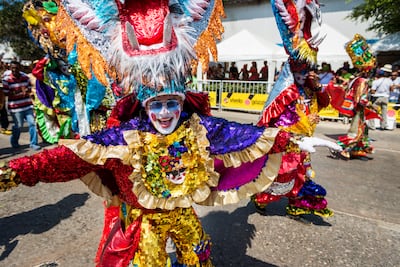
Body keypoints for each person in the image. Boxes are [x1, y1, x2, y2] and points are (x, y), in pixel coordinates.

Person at [0, 0, 342, 266]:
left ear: (182, 102)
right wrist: (13, 172)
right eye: (157, 106)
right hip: (144, 224)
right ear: (145, 106)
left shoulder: (196, 127)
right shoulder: (126, 136)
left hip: (183, 216)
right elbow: (66, 157)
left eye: (171, 104)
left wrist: (299, 140)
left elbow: (247, 136)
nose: (165, 113)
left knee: (197, 256)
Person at [1, 61, 41, 150]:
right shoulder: (7, 80)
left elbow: (30, 88)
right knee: (18, 126)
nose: (15, 70)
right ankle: (14, 142)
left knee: (32, 124)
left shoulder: (25, 77)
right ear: (10, 69)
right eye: (13, 68)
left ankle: (33, 143)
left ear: (20, 68)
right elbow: (6, 93)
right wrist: (19, 91)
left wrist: (27, 90)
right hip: (15, 108)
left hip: (27, 105)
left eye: (16, 68)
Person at [370, 64, 393, 130]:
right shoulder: (390, 81)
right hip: (386, 97)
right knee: (384, 113)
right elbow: (391, 89)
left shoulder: (376, 81)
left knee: (373, 112)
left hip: (377, 97)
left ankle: (372, 126)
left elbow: (373, 91)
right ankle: (383, 125)